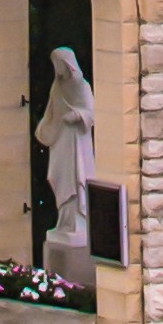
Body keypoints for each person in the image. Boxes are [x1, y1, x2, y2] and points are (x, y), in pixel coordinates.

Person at [35, 46, 95, 270]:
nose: (56, 68)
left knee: (76, 179)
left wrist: (76, 115)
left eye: (58, 64)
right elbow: (51, 112)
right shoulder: (57, 86)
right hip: (61, 141)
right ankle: (65, 221)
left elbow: (92, 113)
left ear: (67, 64)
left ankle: (78, 221)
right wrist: (45, 128)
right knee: (59, 177)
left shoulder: (82, 86)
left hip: (77, 142)